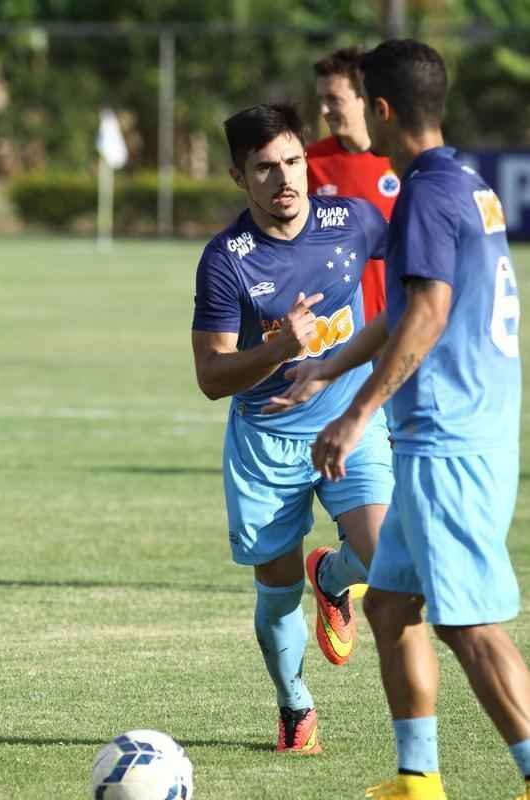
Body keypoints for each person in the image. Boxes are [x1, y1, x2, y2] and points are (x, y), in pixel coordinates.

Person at [265, 40, 530, 799]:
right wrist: (329, 364)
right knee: (388, 603)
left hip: (449, 437)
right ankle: (417, 779)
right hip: (452, 431)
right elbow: (406, 306)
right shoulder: (464, 182)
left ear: (380, 109)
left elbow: (428, 312)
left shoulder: (423, 192)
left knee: (469, 624)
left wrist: (355, 415)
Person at [191, 103, 394, 754]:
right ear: (238, 176)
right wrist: (277, 349)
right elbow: (211, 376)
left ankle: (332, 576)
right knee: (276, 592)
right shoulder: (226, 260)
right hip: (265, 441)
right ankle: (294, 702)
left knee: (384, 556)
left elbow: (418, 269)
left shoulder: (352, 221)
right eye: (264, 168)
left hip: (348, 422)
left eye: (292, 161)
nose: (283, 178)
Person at [307, 46, 400, 323]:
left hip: (397, 323)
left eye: (333, 100)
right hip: (337, 328)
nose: (324, 110)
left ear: (363, 99)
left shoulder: (402, 158)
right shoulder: (307, 163)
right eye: (321, 99)